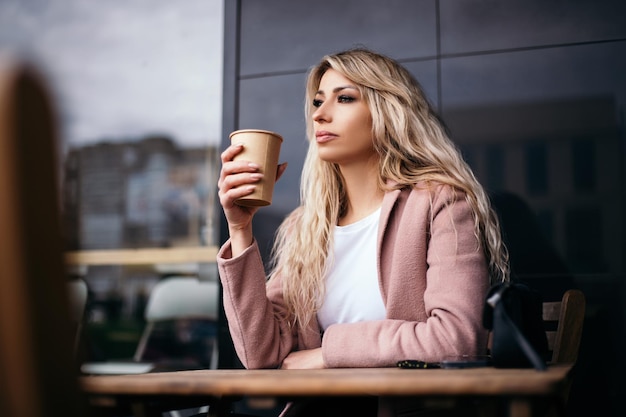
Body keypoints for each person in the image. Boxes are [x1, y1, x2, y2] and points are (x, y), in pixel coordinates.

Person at [217, 48, 509, 416]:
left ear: (388, 111)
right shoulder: (304, 228)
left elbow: (456, 341)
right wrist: (240, 228)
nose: (320, 114)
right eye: (318, 101)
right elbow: (260, 354)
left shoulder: (440, 204)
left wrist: (327, 353)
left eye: (344, 98)